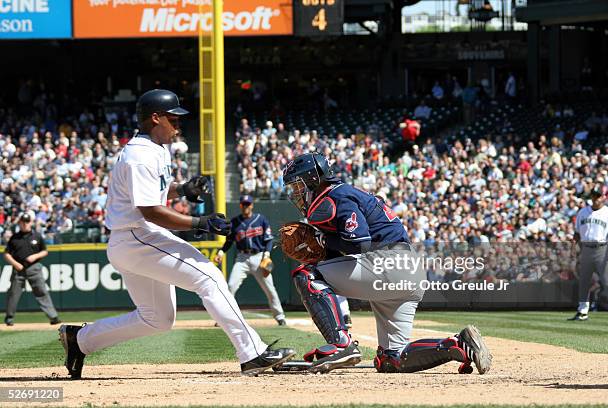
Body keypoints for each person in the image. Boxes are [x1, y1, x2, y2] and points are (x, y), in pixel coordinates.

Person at [58, 89, 295, 379]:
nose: (178, 125)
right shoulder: (140, 155)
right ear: (155, 118)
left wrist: (182, 189)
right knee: (209, 277)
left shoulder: (153, 149)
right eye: (173, 119)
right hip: (138, 235)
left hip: (132, 239)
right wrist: (200, 222)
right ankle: (252, 353)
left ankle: (80, 340)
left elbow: (153, 192)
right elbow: (150, 211)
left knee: (157, 318)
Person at [281, 153, 492, 374]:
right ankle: (459, 344)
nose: (296, 192)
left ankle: (340, 344)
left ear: (313, 179)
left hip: (388, 265)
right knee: (392, 360)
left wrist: (322, 240)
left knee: (306, 274)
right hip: (406, 269)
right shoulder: (344, 193)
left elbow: (358, 243)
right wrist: (326, 245)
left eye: (298, 185)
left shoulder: (336, 196)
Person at [213, 195, 286, 326]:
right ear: (240, 205)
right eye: (243, 204)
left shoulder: (261, 219)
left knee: (270, 288)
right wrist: (221, 251)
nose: (246, 206)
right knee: (231, 286)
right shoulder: (235, 222)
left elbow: (268, 240)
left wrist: (267, 255)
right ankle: (224, 318)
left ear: (252, 205)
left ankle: (280, 317)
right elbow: (229, 241)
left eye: (248, 204)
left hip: (259, 257)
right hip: (242, 259)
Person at [3, 213, 61, 326]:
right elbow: (7, 254)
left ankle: (53, 317)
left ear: (30, 222)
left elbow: (45, 251)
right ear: (19, 223)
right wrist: (15, 264)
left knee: (42, 292)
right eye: (23, 222)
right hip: (19, 268)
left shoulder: (37, 236)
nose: (25, 224)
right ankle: (9, 318)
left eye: (27, 222)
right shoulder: (14, 238)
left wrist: (35, 256)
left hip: (34, 268)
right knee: (13, 294)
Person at [568, 188, 608, 321]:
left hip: (602, 248)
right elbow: (577, 233)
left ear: (603, 197)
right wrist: (573, 247)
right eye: (594, 196)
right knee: (584, 281)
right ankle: (582, 311)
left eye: (598, 196)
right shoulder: (583, 212)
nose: (596, 198)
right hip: (585, 248)